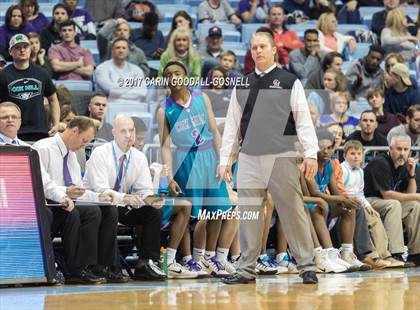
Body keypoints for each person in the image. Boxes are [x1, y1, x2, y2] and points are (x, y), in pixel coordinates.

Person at [219, 29, 319, 284]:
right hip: (249, 157)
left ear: (274, 50)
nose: (258, 51)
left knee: (292, 211)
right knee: (249, 215)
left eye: (263, 46)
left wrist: (311, 153)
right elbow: (232, 126)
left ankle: (307, 266)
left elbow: (303, 120)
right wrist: (225, 161)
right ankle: (246, 270)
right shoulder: (242, 83)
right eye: (254, 47)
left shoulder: (289, 81)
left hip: (282, 154)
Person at [0, 102, 99, 282]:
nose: (10, 120)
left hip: (30, 204)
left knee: (70, 214)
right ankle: (38, 267)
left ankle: (72, 270)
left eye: (14, 117)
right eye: (4, 117)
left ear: (21, 122)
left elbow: (43, 181)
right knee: (42, 212)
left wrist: (63, 197)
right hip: (6, 205)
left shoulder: (27, 149)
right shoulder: (40, 148)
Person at [157, 60, 234, 277]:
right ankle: (189, 259)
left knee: (218, 210)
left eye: (178, 73)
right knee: (189, 212)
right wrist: (169, 176)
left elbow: (215, 131)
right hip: (185, 159)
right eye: (169, 74)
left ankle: (210, 257)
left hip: (209, 156)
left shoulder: (202, 97)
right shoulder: (164, 109)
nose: (174, 77)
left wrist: (222, 161)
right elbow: (164, 145)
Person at [33, 116, 128, 283]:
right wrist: (64, 193)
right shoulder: (43, 148)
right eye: (84, 141)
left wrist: (99, 196)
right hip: (48, 202)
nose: (83, 146)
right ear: (74, 131)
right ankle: (79, 268)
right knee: (89, 212)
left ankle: (103, 266)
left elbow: (78, 190)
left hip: (66, 201)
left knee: (108, 209)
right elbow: (43, 184)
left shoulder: (71, 155)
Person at [83, 115, 167, 281]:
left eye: (131, 130)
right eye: (123, 131)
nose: (128, 135)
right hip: (96, 204)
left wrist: (151, 199)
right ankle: (108, 266)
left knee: (153, 212)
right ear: (114, 132)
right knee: (111, 209)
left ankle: (146, 263)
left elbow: (144, 189)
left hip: (122, 205)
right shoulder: (100, 153)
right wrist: (127, 198)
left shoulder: (139, 157)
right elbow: (101, 190)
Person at [305, 130, 369, 272]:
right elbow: (314, 192)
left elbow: (335, 190)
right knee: (317, 209)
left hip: (324, 202)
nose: (327, 152)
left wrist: (345, 200)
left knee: (349, 208)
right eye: (323, 148)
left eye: (330, 148)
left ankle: (346, 252)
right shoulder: (310, 164)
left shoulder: (330, 165)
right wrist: (341, 198)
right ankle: (328, 254)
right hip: (309, 204)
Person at [341, 140, 404, 268]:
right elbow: (338, 189)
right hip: (345, 203)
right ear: (344, 155)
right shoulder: (342, 169)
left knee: (374, 216)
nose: (356, 156)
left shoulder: (360, 171)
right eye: (352, 153)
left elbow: (360, 193)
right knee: (368, 218)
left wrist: (368, 206)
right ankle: (373, 256)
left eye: (359, 153)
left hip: (358, 202)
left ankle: (385, 255)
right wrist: (350, 200)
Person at [364, 134, 420, 266]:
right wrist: (416, 196)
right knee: (394, 204)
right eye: (399, 149)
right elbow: (387, 195)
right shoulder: (380, 162)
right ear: (390, 149)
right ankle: (396, 253)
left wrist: (412, 175)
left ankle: (415, 253)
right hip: (368, 201)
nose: (402, 153)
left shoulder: (403, 165)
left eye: (406, 150)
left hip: (387, 202)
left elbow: (411, 194)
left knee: (415, 206)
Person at [0, 34, 60, 142]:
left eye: (25, 47)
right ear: (10, 51)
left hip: (40, 131)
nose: (22, 50)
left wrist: (56, 124)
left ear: (30, 49)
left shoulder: (42, 72)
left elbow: (53, 100)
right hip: (13, 133)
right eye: (17, 47)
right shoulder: (3, 75)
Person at [95, 37, 147, 104]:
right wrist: (132, 84)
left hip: (134, 106)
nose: (121, 50)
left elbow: (142, 93)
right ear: (112, 50)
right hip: (111, 106)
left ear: (128, 51)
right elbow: (111, 90)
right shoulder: (102, 68)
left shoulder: (137, 70)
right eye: (118, 48)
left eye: (124, 48)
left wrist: (117, 90)